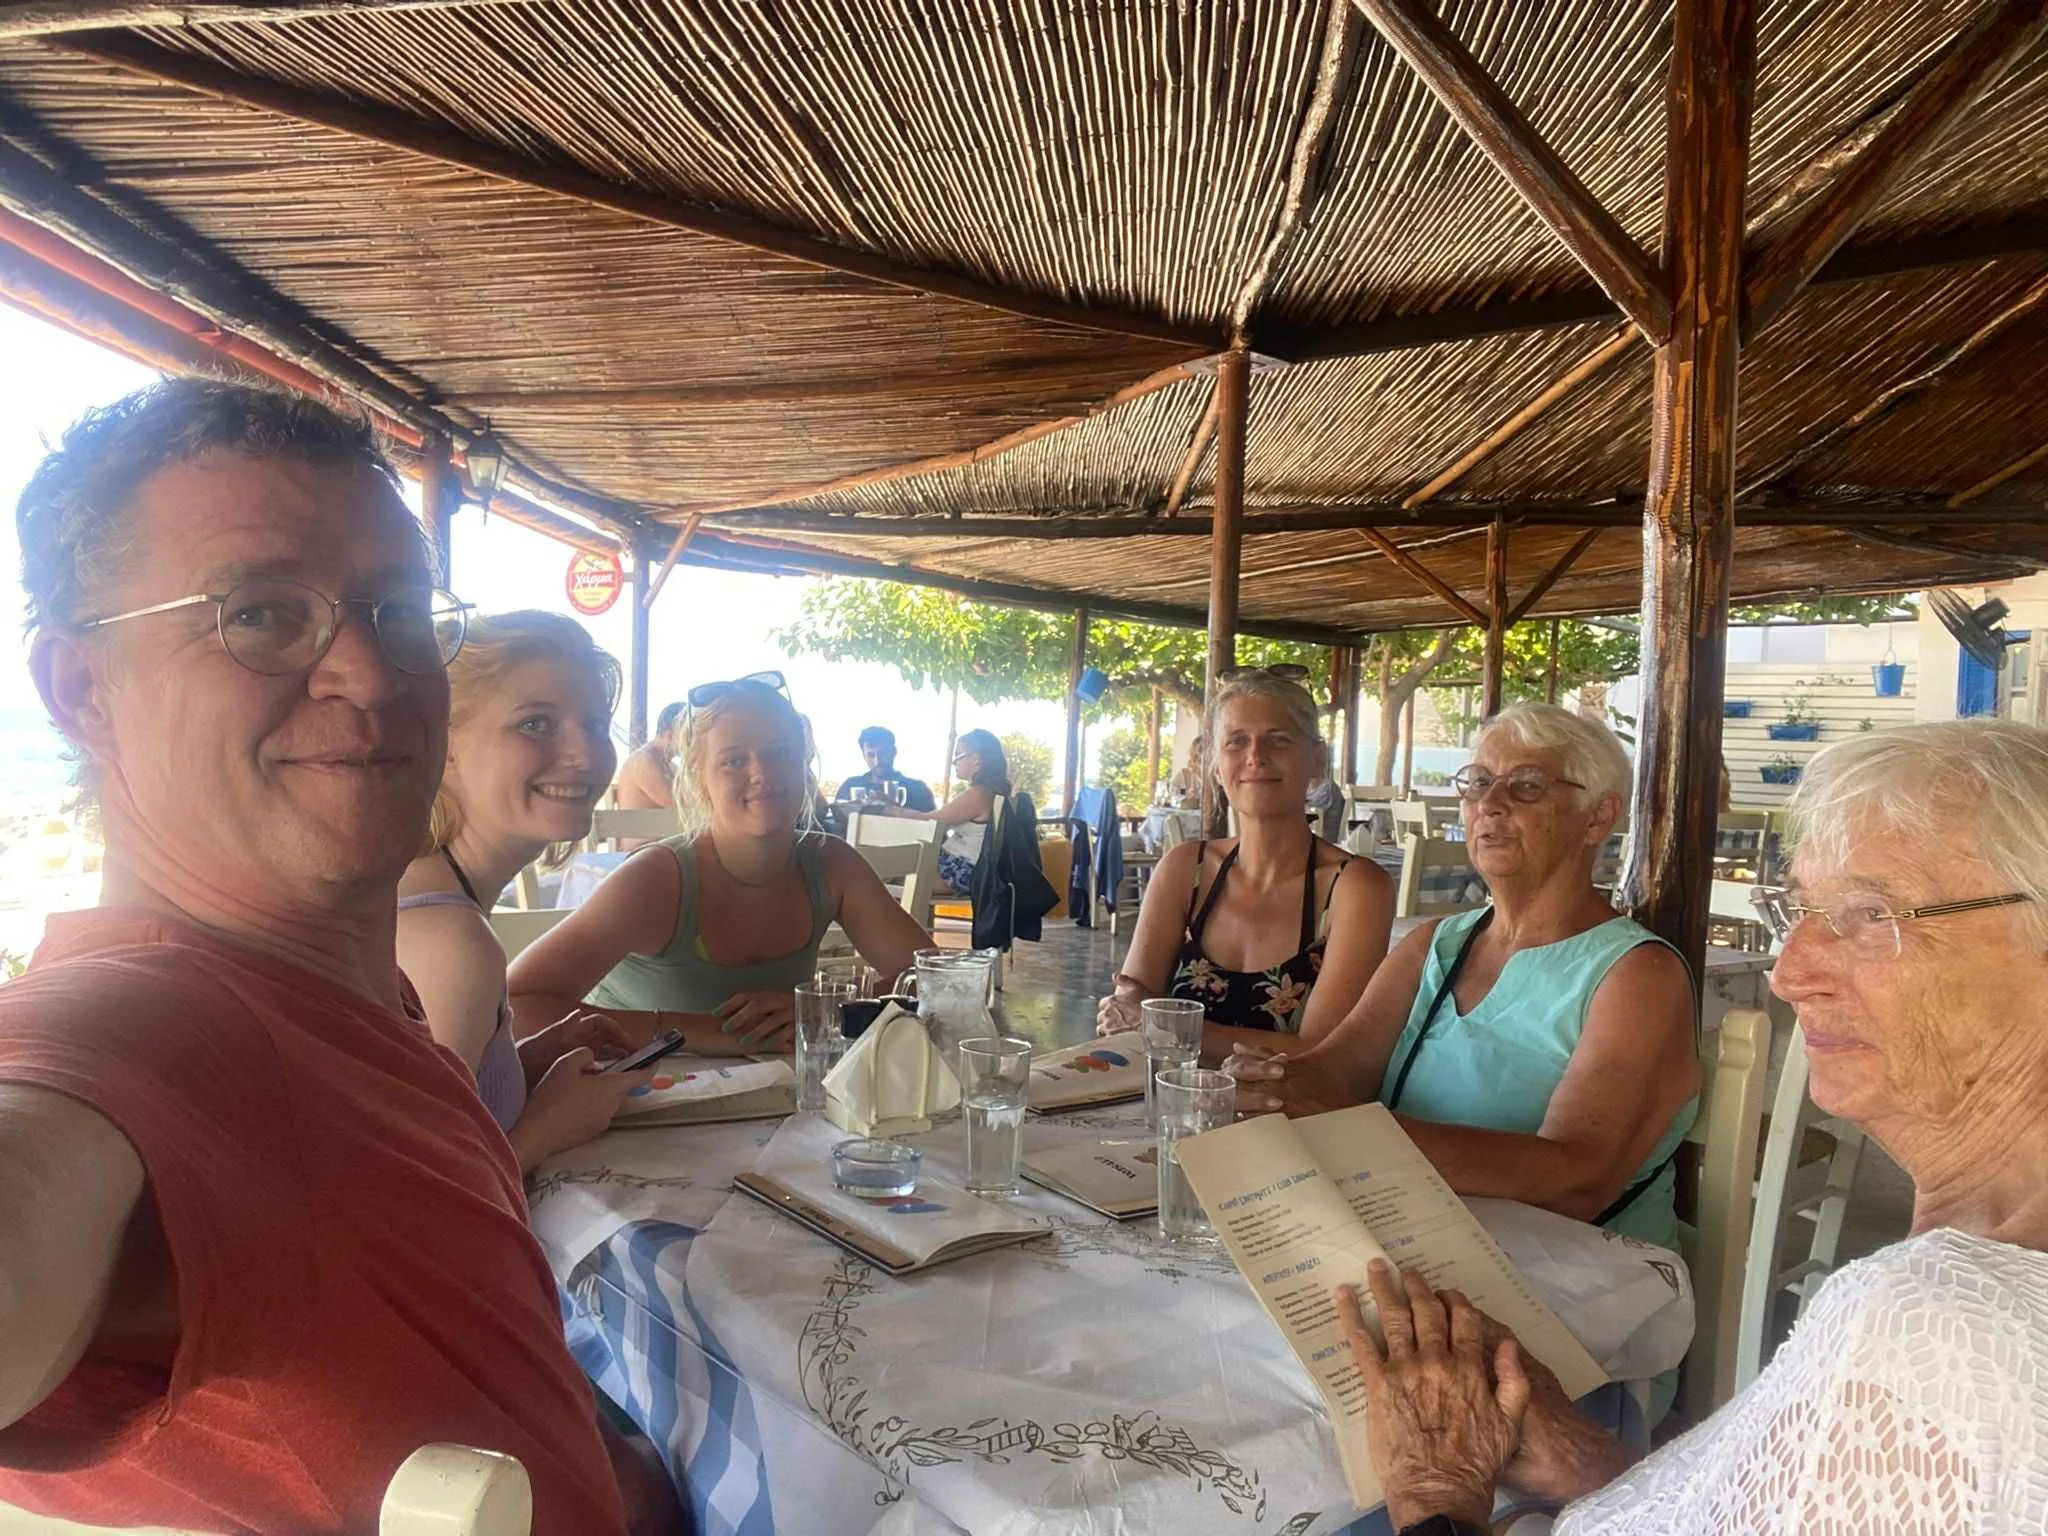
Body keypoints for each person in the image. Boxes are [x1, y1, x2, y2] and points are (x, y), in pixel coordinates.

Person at [0, 379, 664, 1530]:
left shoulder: (364, 1002)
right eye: (260, 614)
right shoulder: (139, 1021)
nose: (371, 672)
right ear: (82, 689)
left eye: (397, 609)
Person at [1340, 720, 2048, 1535]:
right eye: (1802, 909)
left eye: (1869, 912)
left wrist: (1436, 1492)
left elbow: (1574, 1173)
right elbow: (1752, 1502)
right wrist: (1580, 1456)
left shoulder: (1941, 1330)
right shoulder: (1959, 1293)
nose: (1788, 974)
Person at [1231, 702, 1698, 1251]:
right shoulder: (1436, 944)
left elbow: (1576, 1181)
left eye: (1526, 786)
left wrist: (1357, 1129)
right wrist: (1267, 1085)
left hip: (1580, 1270)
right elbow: (1336, 1071)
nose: (1489, 805)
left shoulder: (1637, 976)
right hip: (1422, 1242)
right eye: (1478, 783)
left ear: (1597, 817)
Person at [507, 672, 930, 1049]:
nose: (762, 772)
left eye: (781, 751)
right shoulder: (657, 880)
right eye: (734, 760)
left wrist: (828, 1008)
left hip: (771, 1096)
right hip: (636, 1098)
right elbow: (515, 1007)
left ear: (805, 765)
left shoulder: (830, 864)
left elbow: (937, 978)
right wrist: (693, 1031)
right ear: (700, 780)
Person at [396, 611, 650, 1173]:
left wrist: (516, 1061)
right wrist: (549, 1127)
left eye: (595, 723)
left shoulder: (427, 891)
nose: (586, 755)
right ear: (443, 743)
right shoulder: (449, 944)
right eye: (535, 724)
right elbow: (419, 1199)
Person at [1097, 666, 1394, 1060]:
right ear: (1216, 765)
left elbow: (1321, 1053)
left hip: (1285, 1104)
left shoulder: (1355, 887)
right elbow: (1129, 1006)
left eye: (1279, 740)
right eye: (1237, 741)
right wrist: (1135, 1013)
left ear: (1317, 760)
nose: (1255, 756)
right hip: (1166, 1097)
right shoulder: (1186, 870)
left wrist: (1162, 1025)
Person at [883, 726, 1007, 892]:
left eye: (958, 754)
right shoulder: (990, 792)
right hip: (969, 868)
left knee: (882, 872)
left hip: (961, 872)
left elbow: (929, 821)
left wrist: (888, 809)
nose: (954, 762)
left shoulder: (978, 794)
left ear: (976, 759)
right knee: (890, 867)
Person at [837, 724, 935, 811]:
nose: (877, 761)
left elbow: (933, 824)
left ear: (894, 752)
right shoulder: (849, 787)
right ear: (864, 756)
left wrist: (896, 810)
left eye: (883, 753)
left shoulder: (918, 790)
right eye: (871, 755)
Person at [613, 699, 684, 810]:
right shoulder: (644, 761)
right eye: (688, 734)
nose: (692, 741)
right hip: (640, 822)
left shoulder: (670, 766)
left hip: (658, 821)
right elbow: (681, 804)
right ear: (670, 735)